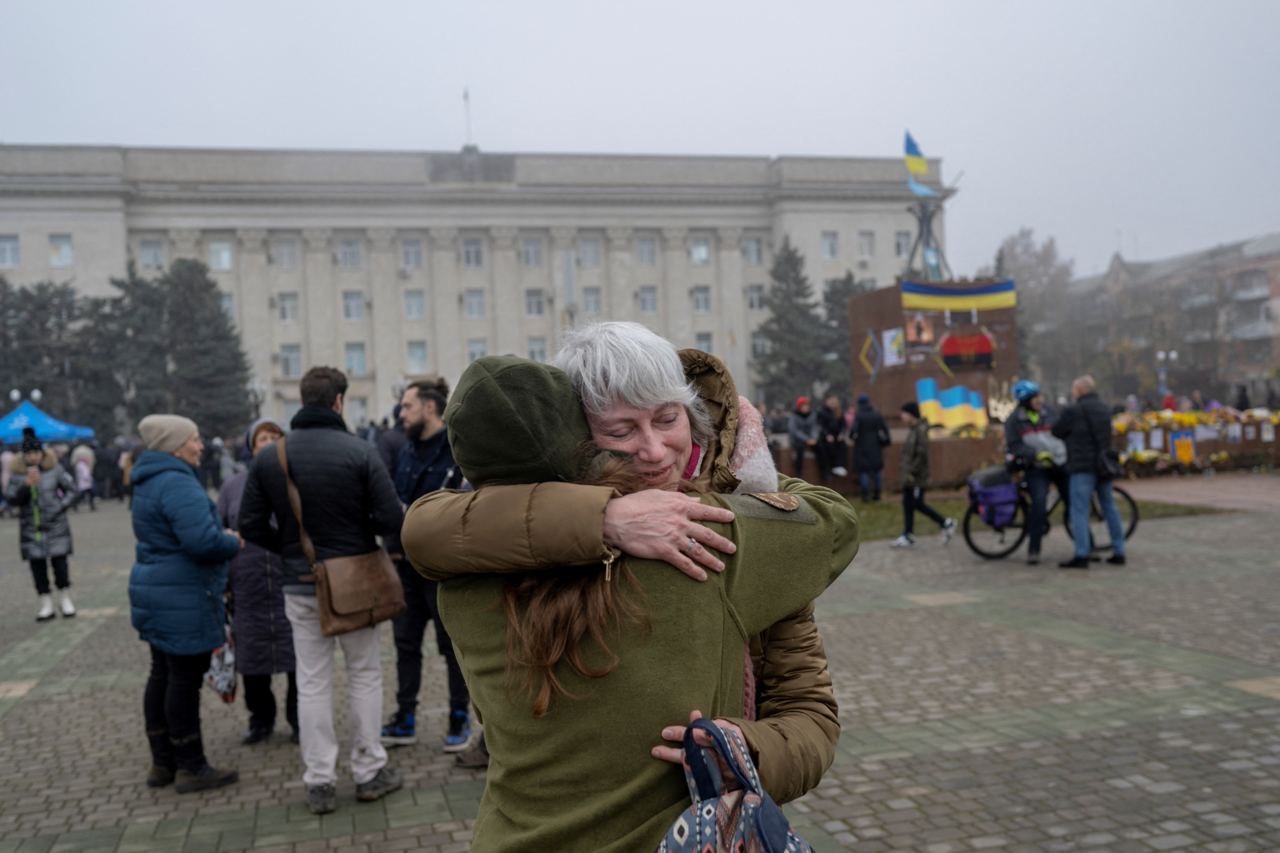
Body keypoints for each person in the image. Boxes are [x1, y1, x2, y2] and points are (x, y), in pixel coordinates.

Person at [402, 354, 860, 850]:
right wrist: (743, 467)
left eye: (667, 418)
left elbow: (423, 529)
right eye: (620, 430)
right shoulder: (703, 540)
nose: (654, 450)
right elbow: (835, 523)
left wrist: (597, 516)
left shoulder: (460, 569)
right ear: (580, 436)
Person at [238, 366, 404, 816]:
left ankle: (319, 782)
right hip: (357, 582)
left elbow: (250, 524)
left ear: (302, 400)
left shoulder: (271, 457)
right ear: (338, 402)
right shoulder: (360, 450)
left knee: (311, 681)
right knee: (364, 673)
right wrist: (358, 534)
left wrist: (292, 550)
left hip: (300, 582)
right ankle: (369, 770)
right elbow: (392, 519)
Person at [128, 414, 241, 793]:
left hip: (157, 589)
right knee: (183, 680)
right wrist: (231, 541)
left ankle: (163, 762)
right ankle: (191, 765)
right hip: (182, 593)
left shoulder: (149, 479)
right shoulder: (177, 483)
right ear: (175, 447)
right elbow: (201, 542)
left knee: (161, 673)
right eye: (194, 439)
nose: (200, 445)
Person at [380, 380, 471, 751]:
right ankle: (405, 718)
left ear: (430, 407)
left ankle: (459, 717)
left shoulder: (456, 450)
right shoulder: (406, 450)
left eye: (408, 406)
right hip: (405, 565)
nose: (401, 414)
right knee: (405, 644)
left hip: (443, 568)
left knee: (450, 647)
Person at [216, 417, 298, 746]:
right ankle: (260, 719)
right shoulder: (232, 486)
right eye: (262, 438)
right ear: (251, 447)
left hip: (287, 578)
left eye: (275, 436)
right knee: (252, 660)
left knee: (298, 657)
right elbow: (220, 529)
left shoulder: (298, 478)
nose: (268, 442)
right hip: (247, 583)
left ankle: (299, 720)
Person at [1052, 375, 1127, 569]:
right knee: (1109, 507)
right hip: (1103, 466)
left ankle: (1082, 553)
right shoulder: (1104, 408)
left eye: (1074, 389)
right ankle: (1119, 551)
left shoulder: (1073, 410)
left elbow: (1057, 431)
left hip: (1082, 465)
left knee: (1079, 510)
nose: (1072, 393)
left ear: (1080, 390)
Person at [6, 427, 79, 620]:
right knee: (37, 567)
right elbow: (11, 499)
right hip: (31, 528)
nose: (33, 457)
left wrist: (60, 506)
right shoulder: (17, 474)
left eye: (36, 452)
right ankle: (45, 602)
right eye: (29, 453)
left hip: (56, 525)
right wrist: (25, 485)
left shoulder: (55, 469)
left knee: (60, 565)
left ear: (42, 453)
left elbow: (72, 490)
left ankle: (65, 598)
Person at [1004, 381, 1068, 565]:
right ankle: (1034, 549)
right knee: (1039, 504)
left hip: (1057, 463)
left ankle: (1088, 545)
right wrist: (1035, 454)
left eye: (1040, 396)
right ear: (1025, 401)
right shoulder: (1014, 420)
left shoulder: (1050, 413)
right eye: (1035, 398)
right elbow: (1014, 445)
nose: (1040, 400)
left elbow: (1063, 432)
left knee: (1073, 501)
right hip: (1036, 467)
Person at [892, 402, 956, 548]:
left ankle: (946, 523)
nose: (902, 416)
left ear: (911, 415)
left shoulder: (920, 431)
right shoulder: (913, 430)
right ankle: (908, 534)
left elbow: (921, 455)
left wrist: (911, 471)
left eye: (904, 413)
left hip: (916, 477)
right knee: (907, 503)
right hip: (909, 476)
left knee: (917, 504)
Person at [850, 394, 890, 502]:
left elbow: (853, 431)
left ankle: (865, 495)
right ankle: (877, 494)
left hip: (862, 446)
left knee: (863, 471)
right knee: (877, 470)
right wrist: (886, 441)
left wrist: (852, 437)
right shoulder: (876, 414)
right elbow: (885, 429)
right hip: (876, 445)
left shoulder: (859, 415)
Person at [815, 394, 848, 481]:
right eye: (831, 401)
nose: (833, 404)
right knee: (825, 450)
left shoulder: (839, 412)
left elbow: (843, 425)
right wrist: (827, 435)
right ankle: (827, 472)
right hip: (825, 438)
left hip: (837, 437)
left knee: (842, 445)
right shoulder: (821, 411)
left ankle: (839, 466)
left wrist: (842, 433)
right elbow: (820, 426)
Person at [787, 395, 818, 478]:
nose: (805, 408)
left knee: (820, 447)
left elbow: (814, 427)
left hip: (810, 439)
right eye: (803, 406)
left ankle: (825, 471)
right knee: (799, 450)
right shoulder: (794, 416)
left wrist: (814, 438)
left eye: (807, 405)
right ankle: (798, 474)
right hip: (798, 440)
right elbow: (794, 430)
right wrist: (806, 439)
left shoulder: (812, 415)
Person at [71, 444, 96, 511]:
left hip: (83, 482)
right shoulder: (83, 465)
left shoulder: (78, 463)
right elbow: (86, 473)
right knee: (84, 494)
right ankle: (75, 504)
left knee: (88, 494)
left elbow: (73, 462)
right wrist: (89, 478)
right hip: (85, 482)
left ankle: (91, 506)